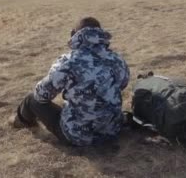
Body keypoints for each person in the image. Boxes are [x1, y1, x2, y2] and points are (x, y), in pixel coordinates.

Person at [11, 17, 130, 146]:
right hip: (112, 130)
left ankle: (20, 121)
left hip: (78, 136)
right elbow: (123, 84)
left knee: (31, 100)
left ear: (73, 34)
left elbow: (42, 94)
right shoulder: (117, 59)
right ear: (100, 34)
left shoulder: (68, 61)